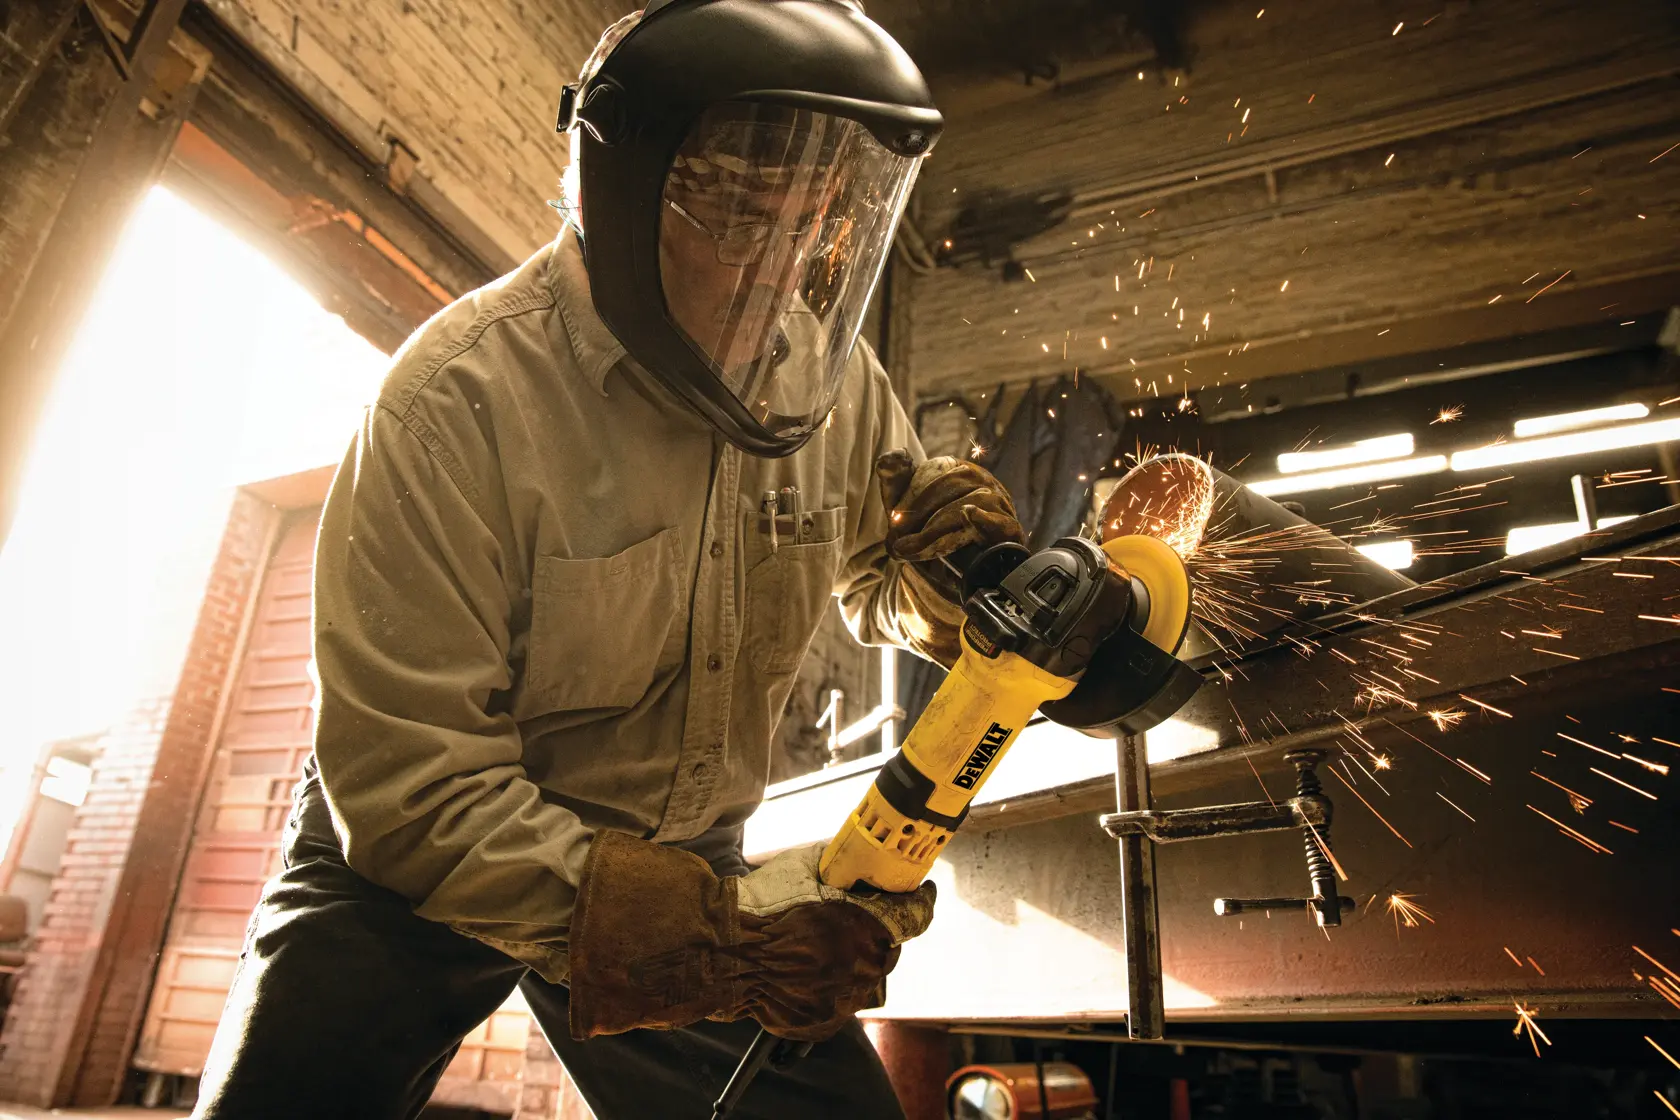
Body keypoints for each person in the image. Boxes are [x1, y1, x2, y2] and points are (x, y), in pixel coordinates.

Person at [193, 2, 1023, 1117]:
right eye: (735, 220)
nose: (776, 271)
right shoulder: (456, 402)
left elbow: (878, 579)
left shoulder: (822, 379)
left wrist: (947, 583)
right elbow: (411, 791)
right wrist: (710, 939)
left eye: (805, 226)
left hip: (684, 857)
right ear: (620, 198)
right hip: (420, 855)